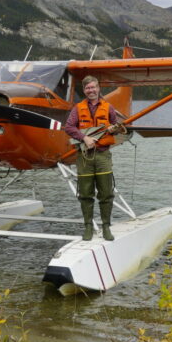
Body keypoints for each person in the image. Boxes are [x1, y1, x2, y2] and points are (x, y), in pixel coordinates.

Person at [63, 76, 125, 241]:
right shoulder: (78, 108)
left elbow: (116, 127)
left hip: (103, 155)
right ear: (84, 91)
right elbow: (68, 127)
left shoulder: (108, 107)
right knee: (85, 194)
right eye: (87, 88)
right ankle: (88, 227)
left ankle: (106, 227)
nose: (91, 91)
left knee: (106, 193)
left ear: (98, 88)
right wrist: (84, 138)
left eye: (93, 87)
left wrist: (114, 129)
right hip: (84, 157)